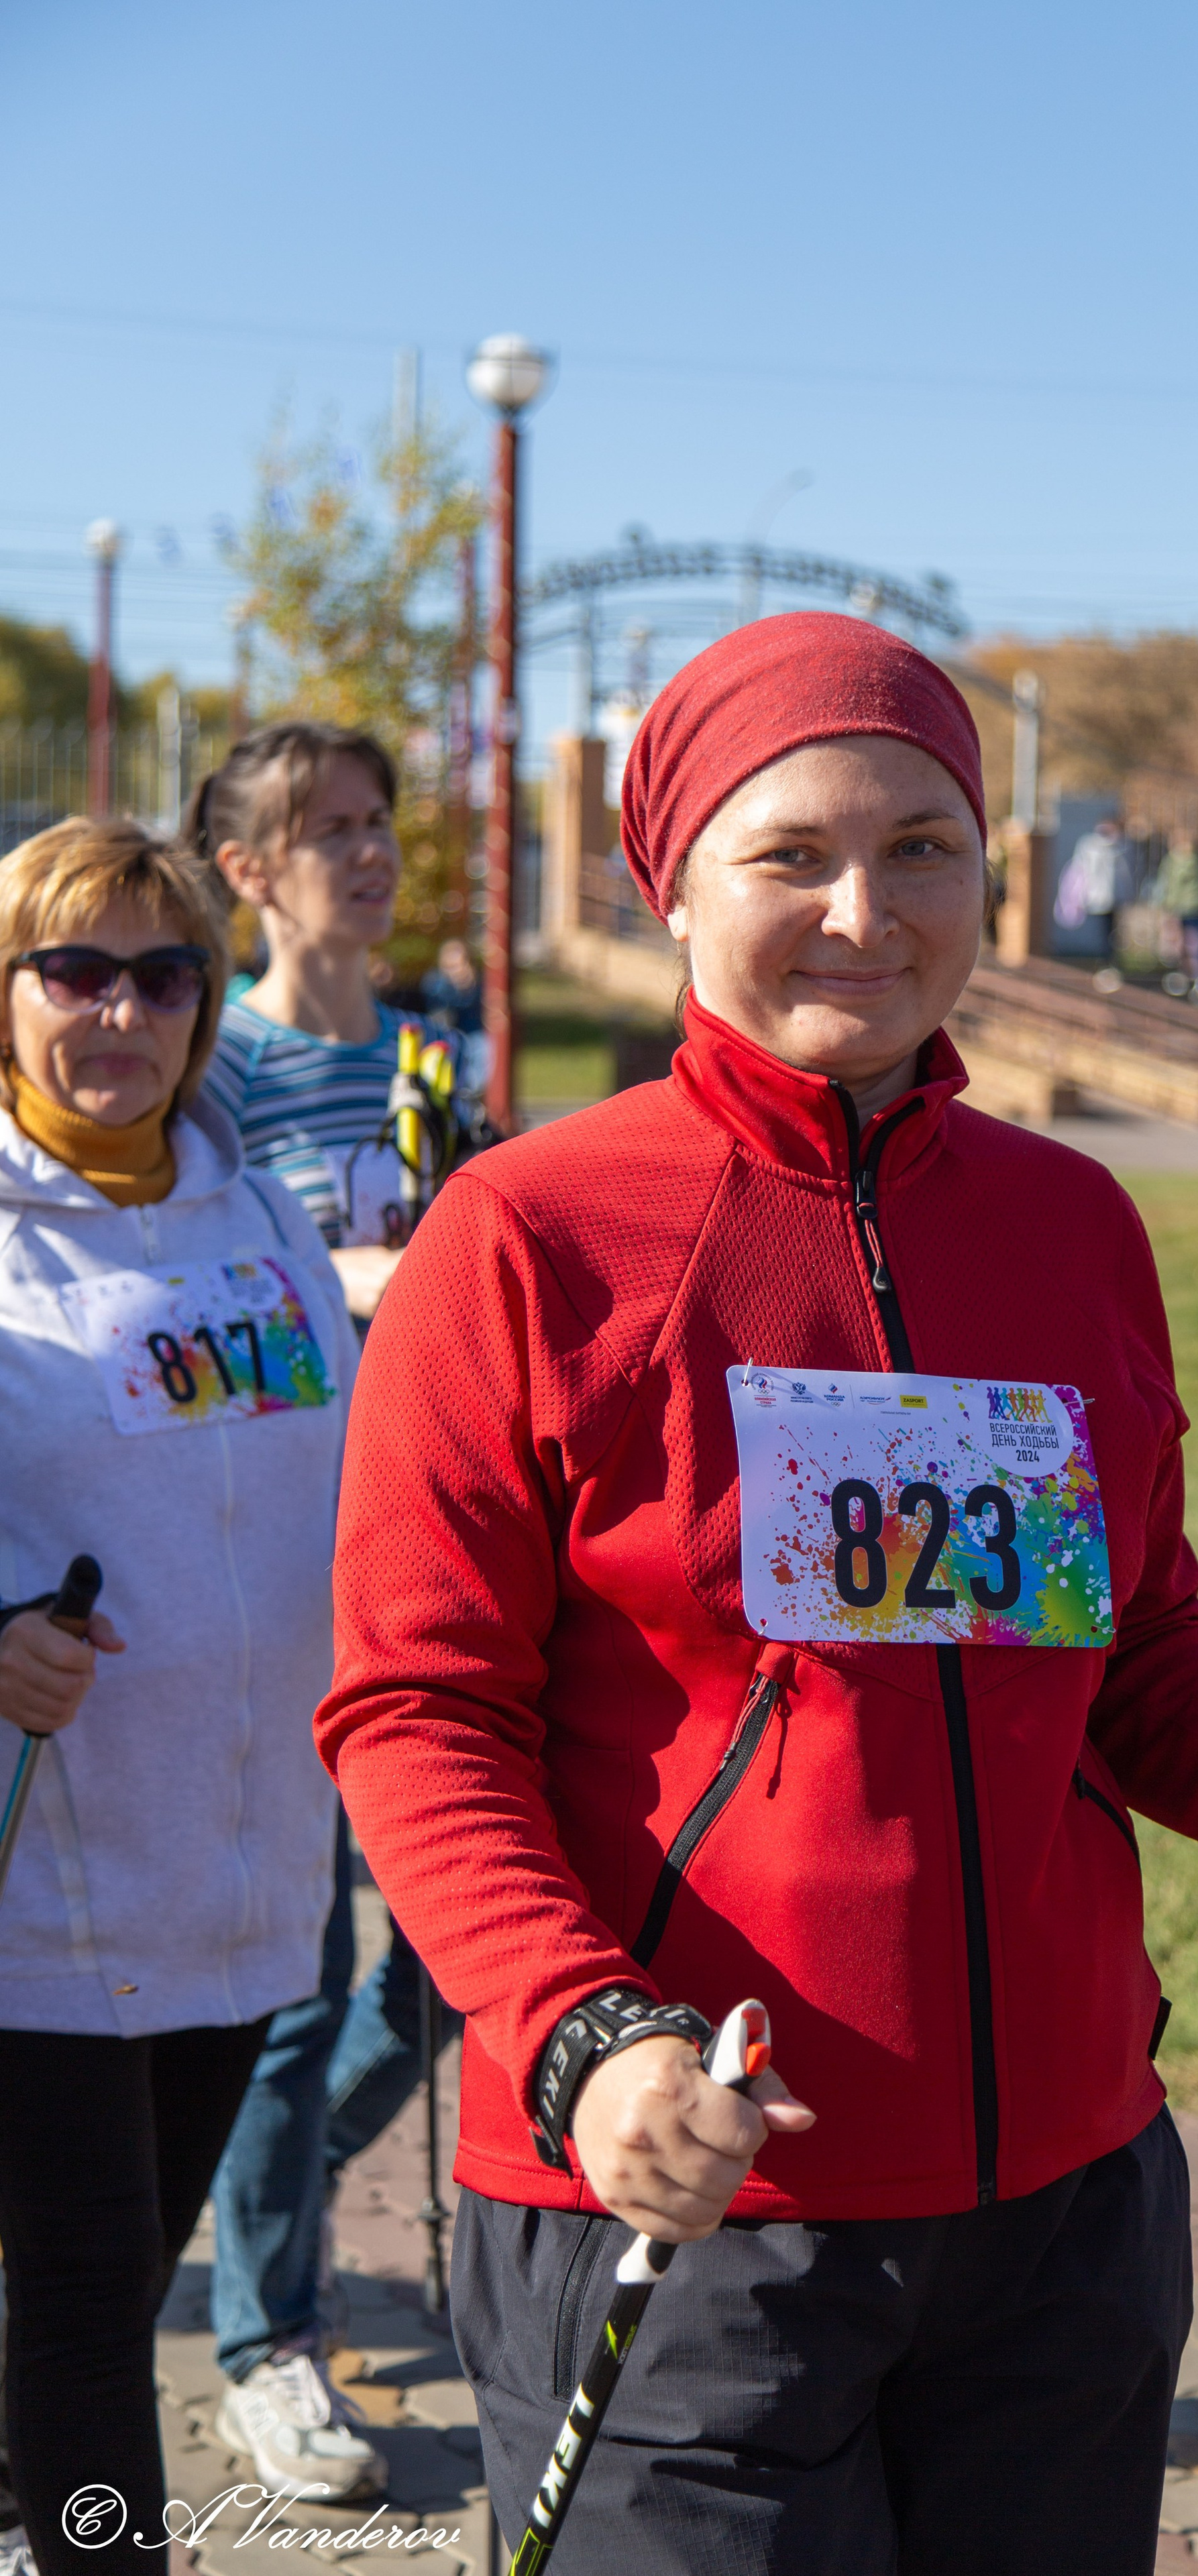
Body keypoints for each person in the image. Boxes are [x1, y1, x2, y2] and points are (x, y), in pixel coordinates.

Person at [316, 612, 1198, 2576]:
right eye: (793, 855)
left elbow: (1125, 1644)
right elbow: (414, 1709)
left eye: (924, 847)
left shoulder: (1068, 1220)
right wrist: (583, 2033)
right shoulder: (525, 1234)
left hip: (1062, 2218)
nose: (865, 907)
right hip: (687, 2200)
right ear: (670, 881)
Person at [0, 820, 356, 2576]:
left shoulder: (257, 1201)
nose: (121, 1010)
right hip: (41, 1877)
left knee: (117, 2274)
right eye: (76, 970)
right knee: (83, 2303)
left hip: (250, 1855)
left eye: (163, 973)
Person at [189, 722, 462, 2497]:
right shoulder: (213, 1077)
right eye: (326, 832)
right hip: (281, 1565)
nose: (365, 856)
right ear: (250, 872)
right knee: (302, 1984)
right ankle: (265, 2339)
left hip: (433, 1560)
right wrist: (351, 1279)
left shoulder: (439, 1058)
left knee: (442, 1965)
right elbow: (192, 1318)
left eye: (376, 824)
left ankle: (237, 2199)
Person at [1154, 832, 1198, 1003]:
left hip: (1181, 908)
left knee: (1182, 944)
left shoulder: (1174, 862)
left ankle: (1186, 975)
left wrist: (1166, 906)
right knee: (1197, 943)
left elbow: (1168, 886)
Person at [1054, 814, 1127, 960]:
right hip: (1097, 896)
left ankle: (1108, 959)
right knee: (1100, 930)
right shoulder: (1091, 846)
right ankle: (1102, 958)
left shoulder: (1120, 846)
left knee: (1111, 930)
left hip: (1114, 897)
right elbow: (1083, 869)